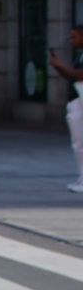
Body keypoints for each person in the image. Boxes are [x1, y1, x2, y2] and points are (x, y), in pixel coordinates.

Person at [49, 25, 83, 192]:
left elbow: (80, 75)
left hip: (80, 100)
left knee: (81, 143)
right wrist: (59, 67)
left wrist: (61, 66)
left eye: (74, 37)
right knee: (78, 143)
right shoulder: (79, 55)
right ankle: (81, 177)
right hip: (76, 100)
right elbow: (72, 75)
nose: (71, 40)